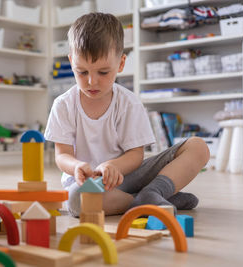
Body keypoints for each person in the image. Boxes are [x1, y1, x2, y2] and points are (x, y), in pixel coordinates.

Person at [44, 13, 210, 217]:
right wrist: (76, 165)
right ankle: (145, 201)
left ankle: (155, 192)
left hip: (129, 176)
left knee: (198, 147)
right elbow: (61, 156)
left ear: (121, 64)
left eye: (103, 72)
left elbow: (135, 155)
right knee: (77, 201)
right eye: (82, 72)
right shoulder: (63, 105)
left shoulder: (128, 102)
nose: (91, 82)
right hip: (87, 185)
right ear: (71, 62)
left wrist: (112, 166)